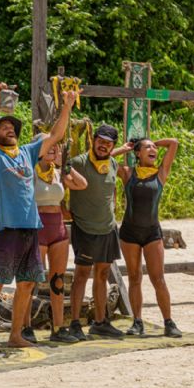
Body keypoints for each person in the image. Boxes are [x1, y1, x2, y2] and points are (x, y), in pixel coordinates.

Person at [0, 84, 75, 353]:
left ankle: (15, 335)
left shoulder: (27, 152)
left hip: (31, 228)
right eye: (3, 127)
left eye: (11, 126)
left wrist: (67, 105)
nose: (9, 129)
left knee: (28, 283)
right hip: (6, 229)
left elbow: (56, 135)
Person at [20, 133, 87, 344]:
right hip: (37, 227)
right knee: (31, 281)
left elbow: (82, 184)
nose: (52, 147)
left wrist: (65, 165)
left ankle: (58, 327)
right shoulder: (29, 171)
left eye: (55, 144)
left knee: (57, 281)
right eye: (47, 144)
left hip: (58, 228)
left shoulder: (58, 173)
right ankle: (25, 326)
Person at [116, 137, 182, 337]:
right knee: (134, 277)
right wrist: (124, 148)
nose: (153, 149)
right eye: (147, 147)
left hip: (152, 233)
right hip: (129, 233)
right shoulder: (128, 173)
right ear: (137, 153)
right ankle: (137, 322)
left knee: (158, 279)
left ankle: (169, 322)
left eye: (154, 147)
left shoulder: (161, 173)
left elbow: (174, 143)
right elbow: (102, 160)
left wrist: (150, 140)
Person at [66, 124, 125, 340]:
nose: (103, 146)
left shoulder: (113, 164)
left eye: (108, 143)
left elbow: (112, 191)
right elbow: (60, 181)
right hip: (84, 228)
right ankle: (74, 323)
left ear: (113, 146)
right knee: (81, 275)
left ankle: (100, 322)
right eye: (100, 141)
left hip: (108, 228)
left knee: (102, 274)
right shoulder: (79, 163)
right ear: (94, 141)